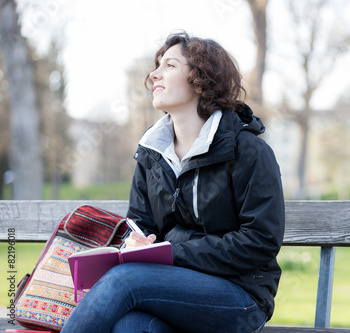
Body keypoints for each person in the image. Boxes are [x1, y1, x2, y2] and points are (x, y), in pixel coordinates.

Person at [61, 31, 285, 333]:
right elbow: (141, 226)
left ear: (201, 78)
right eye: (157, 66)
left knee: (124, 279)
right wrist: (137, 243)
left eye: (169, 65)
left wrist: (171, 252)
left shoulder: (247, 151)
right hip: (171, 293)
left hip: (240, 298)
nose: (154, 74)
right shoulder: (151, 155)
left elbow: (260, 241)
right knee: (130, 327)